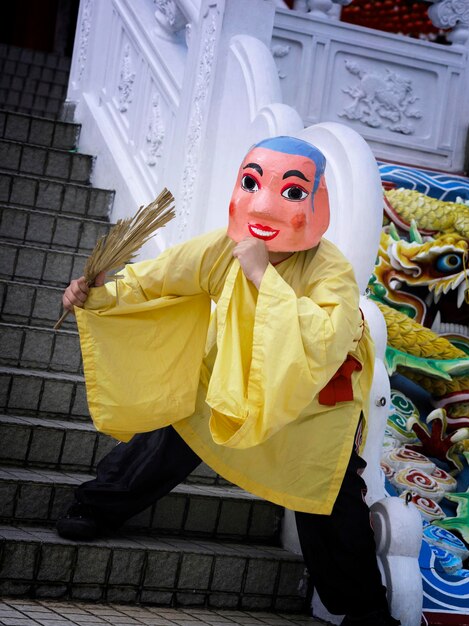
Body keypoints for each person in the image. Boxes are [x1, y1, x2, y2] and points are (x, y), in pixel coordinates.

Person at [58, 136, 400, 626]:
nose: (266, 204)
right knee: (178, 425)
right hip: (237, 379)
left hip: (310, 403)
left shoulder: (331, 269)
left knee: (327, 492)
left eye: (292, 192)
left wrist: (264, 277)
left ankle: (365, 610)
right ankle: (97, 505)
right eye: (251, 183)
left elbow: (326, 338)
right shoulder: (224, 247)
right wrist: (98, 295)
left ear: (316, 202)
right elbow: (157, 279)